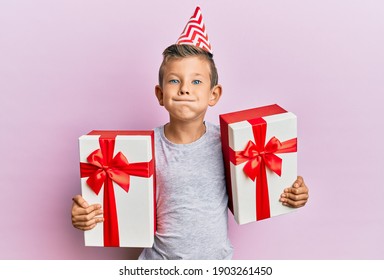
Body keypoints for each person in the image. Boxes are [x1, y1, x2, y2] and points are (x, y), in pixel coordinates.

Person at [71, 7, 309, 260]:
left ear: (213, 94)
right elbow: (114, 204)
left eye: (196, 81)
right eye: (174, 81)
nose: (185, 89)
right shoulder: (139, 149)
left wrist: (292, 195)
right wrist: (85, 216)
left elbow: (255, 192)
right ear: (160, 95)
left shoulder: (231, 144)